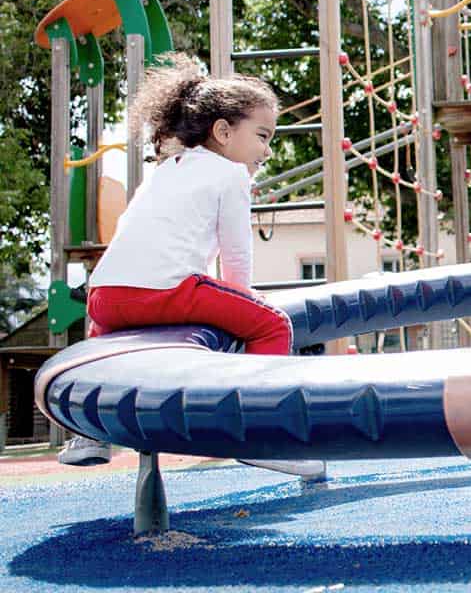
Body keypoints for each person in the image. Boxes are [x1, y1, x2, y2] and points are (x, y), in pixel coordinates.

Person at [57, 56, 324, 480]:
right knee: (273, 326)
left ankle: (89, 435)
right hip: (164, 289)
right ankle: (259, 435)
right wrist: (244, 298)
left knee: (104, 353)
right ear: (222, 131)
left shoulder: (166, 170)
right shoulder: (232, 175)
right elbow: (236, 256)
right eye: (262, 136)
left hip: (104, 295)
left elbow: (132, 230)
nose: (267, 150)